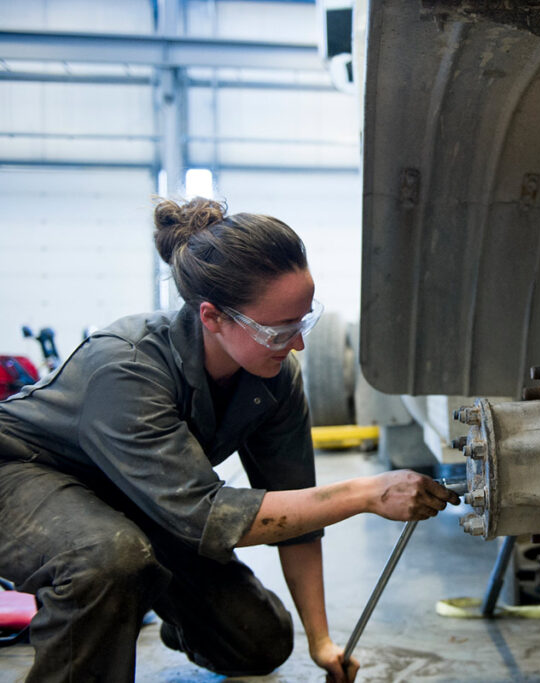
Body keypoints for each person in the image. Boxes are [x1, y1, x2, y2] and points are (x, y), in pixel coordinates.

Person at [0, 197, 459, 682]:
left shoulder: (273, 378)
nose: (297, 343)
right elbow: (211, 517)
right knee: (108, 559)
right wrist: (365, 493)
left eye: (303, 322)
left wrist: (322, 642)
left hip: (140, 497)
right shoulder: (126, 367)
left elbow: (295, 514)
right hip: (22, 476)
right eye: (279, 329)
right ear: (212, 317)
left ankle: (148, 594)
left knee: (259, 641)